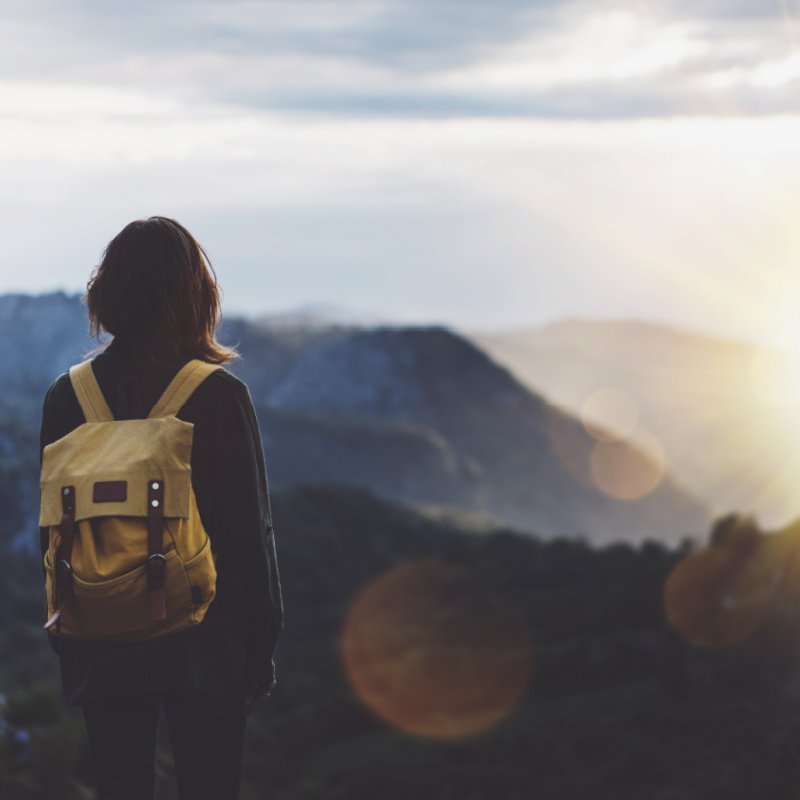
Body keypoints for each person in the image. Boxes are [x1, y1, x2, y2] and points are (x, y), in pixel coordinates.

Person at [38, 216, 284, 800]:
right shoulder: (218, 394)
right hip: (205, 643)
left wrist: (67, 638)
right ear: (196, 295)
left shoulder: (66, 397)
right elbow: (249, 534)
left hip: (99, 639)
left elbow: (50, 529)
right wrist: (260, 652)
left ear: (107, 293)